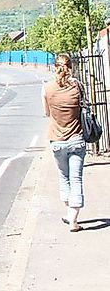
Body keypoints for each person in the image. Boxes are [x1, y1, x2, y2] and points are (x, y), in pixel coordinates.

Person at [41, 53, 86, 232]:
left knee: (64, 177)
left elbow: (46, 113)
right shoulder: (78, 86)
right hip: (76, 139)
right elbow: (83, 106)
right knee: (76, 179)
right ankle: (73, 219)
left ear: (55, 67)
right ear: (71, 67)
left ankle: (69, 213)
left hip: (57, 140)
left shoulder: (46, 88)